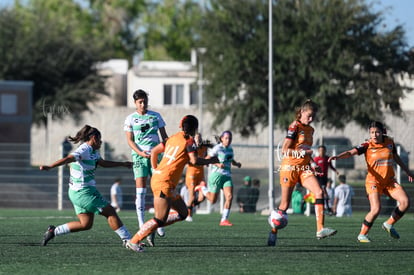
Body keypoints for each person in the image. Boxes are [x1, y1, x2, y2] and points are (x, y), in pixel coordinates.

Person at [125, 115, 219, 252]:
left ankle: (152, 227)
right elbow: (194, 161)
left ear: (181, 126)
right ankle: (134, 241)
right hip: (165, 183)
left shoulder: (172, 138)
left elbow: (154, 151)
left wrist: (156, 168)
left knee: (183, 212)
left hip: (162, 180)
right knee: (160, 218)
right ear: (194, 128)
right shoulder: (189, 141)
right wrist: (211, 161)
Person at [39, 125, 132, 246]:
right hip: (83, 192)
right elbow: (69, 158)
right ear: (93, 138)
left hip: (79, 192)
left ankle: (53, 231)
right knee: (110, 211)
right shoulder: (84, 149)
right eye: (100, 139)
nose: (101, 142)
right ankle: (128, 240)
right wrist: (50, 166)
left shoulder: (94, 152)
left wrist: (123, 164)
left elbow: (103, 163)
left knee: (85, 224)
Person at [329, 121, 413, 243]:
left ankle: (388, 224)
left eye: (377, 132)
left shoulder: (389, 142)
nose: (374, 135)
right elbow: (351, 152)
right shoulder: (367, 145)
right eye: (372, 132)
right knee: (376, 209)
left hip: (389, 181)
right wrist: (338, 157)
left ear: (383, 131)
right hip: (373, 182)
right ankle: (362, 235)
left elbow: (396, 157)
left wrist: (407, 171)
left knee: (405, 202)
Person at [268, 99, 337, 246]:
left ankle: (320, 229)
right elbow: (284, 150)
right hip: (290, 168)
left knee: (319, 193)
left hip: (304, 168)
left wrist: (312, 163)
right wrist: (303, 153)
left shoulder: (310, 130)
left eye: (313, 117)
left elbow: (305, 150)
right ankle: (273, 231)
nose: (311, 119)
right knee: (284, 205)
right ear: (302, 112)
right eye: (309, 115)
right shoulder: (294, 127)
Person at [124, 89, 168, 246]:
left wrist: (166, 152)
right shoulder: (130, 119)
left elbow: (165, 138)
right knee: (141, 191)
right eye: (140, 102)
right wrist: (140, 152)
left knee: (160, 190)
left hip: (156, 157)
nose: (143, 104)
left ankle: (159, 223)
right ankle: (142, 225)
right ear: (135, 103)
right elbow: (130, 140)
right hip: (139, 157)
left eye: (144, 101)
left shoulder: (156, 116)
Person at [198, 130, 242, 226]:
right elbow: (207, 159)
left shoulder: (230, 149)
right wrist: (217, 164)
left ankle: (224, 219)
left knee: (229, 197)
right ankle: (203, 189)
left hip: (227, 176)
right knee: (213, 201)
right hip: (216, 176)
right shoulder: (217, 148)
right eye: (226, 138)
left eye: (230, 138)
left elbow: (230, 159)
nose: (228, 140)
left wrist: (236, 164)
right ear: (222, 139)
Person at [184, 133, 211, 222]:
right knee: (191, 197)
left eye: (200, 138)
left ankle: (188, 207)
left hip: (201, 175)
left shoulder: (204, 147)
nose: (198, 140)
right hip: (191, 174)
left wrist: (207, 161)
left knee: (202, 198)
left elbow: (206, 157)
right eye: (196, 138)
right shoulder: (191, 147)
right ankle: (188, 215)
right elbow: (189, 160)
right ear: (193, 139)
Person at [313, 145, 339, 214]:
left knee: (323, 193)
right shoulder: (316, 159)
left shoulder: (327, 158)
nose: (322, 152)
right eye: (320, 150)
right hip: (318, 177)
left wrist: (335, 170)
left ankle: (325, 208)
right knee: (323, 192)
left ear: (325, 151)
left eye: (323, 150)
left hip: (324, 178)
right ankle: (327, 208)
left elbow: (330, 166)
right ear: (318, 151)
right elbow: (313, 167)